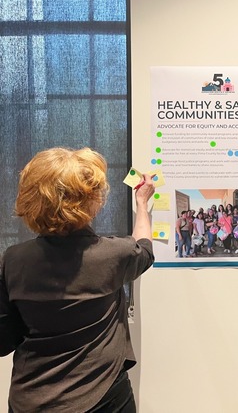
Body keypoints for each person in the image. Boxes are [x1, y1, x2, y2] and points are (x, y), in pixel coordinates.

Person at [0, 147, 155, 412]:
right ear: (90, 201)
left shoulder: (13, 260)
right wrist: (142, 204)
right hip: (104, 398)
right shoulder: (115, 254)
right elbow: (145, 248)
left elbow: (4, 340)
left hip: (30, 399)